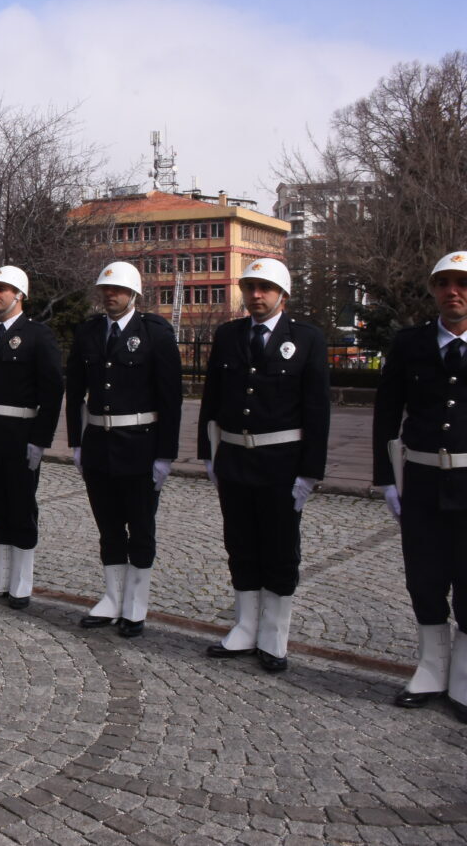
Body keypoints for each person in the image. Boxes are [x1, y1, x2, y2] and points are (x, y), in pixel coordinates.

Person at [199, 258, 329, 673]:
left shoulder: (306, 339)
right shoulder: (229, 335)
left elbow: (317, 409)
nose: (256, 295)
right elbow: (212, 398)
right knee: (240, 545)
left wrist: (310, 471)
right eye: (250, 287)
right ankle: (245, 626)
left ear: (283, 295)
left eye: (265, 288)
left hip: (281, 463)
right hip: (236, 458)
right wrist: (209, 454)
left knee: (279, 549)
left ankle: (273, 634)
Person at [373, 251, 467, 722]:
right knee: (425, 578)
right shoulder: (410, 344)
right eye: (444, 283)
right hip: (423, 479)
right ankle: (431, 668)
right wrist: (386, 478)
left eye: (462, 283)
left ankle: (464, 676)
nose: (454, 292)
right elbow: (387, 412)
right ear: (433, 289)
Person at [65, 262, 182, 636]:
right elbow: (74, 392)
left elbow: (171, 398)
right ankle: (112, 598)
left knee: (141, 528)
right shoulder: (88, 332)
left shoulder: (154, 333)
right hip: (99, 444)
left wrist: (165, 454)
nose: (109, 295)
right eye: (105, 289)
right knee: (109, 527)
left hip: (140, 445)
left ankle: (135, 604)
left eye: (116, 289)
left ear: (133, 294)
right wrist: (76, 442)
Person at [0, 266, 63, 608]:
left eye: (2, 289)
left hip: (20, 435)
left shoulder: (37, 335)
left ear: (19, 295)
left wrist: (40, 439)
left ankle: (21, 579)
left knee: (21, 507)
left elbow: (52, 391)